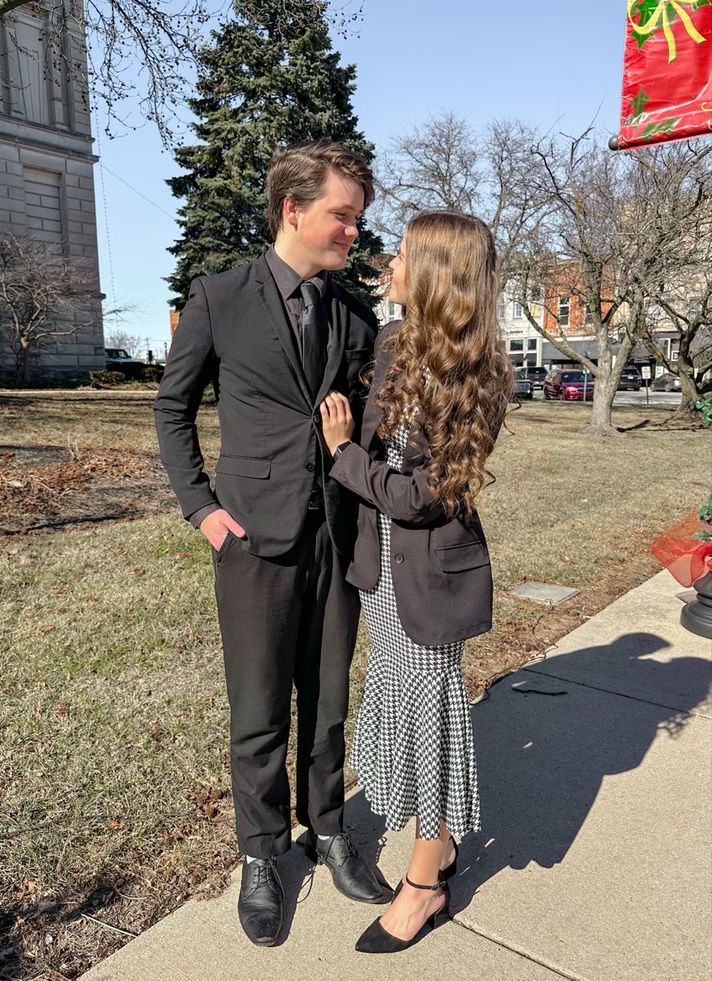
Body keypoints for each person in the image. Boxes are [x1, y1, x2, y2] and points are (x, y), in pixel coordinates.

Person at [154, 141, 385, 948]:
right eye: (341, 215)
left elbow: (378, 415)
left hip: (334, 536)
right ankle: (262, 853)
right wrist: (203, 511)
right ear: (294, 210)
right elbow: (171, 411)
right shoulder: (220, 298)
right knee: (258, 712)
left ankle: (326, 829)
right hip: (251, 539)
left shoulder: (355, 311)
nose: (353, 230)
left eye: (356, 217)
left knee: (327, 704)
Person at [320, 211, 513, 953]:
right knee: (403, 713)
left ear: (434, 273)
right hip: (383, 575)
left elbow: (419, 496)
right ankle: (443, 852)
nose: (386, 261)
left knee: (427, 726)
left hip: (431, 582)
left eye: (400, 253)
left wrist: (342, 454)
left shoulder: (478, 372)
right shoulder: (396, 346)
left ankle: (425, 883)